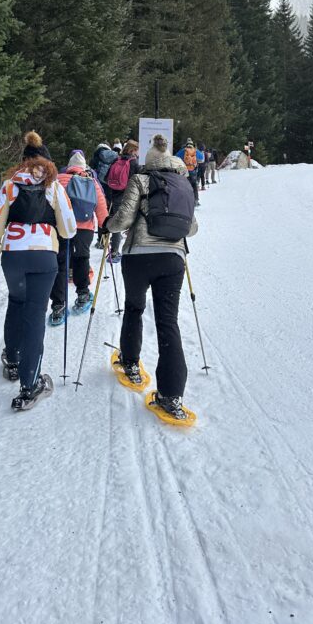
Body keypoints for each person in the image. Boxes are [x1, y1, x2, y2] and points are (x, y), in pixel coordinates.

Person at [106, 134, 198, 420]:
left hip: (139, 257)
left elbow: (121, 221)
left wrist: (108, 225)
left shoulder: (141, 180)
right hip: (173, 259)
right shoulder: (184, 184)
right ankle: (171, 396)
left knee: (134, 308)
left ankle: (131, 363)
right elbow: (192, 228)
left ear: (149, 162)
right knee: (168, 322)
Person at [0, 131, 77, 411]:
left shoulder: (9, 185)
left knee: (16, 302)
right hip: (43, 257)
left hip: (13, 257)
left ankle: (12, 360)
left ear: (23, 162)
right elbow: (68, 228)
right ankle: (30, 383)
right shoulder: (53, 186)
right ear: (47, 163)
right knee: (36, 314)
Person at [49, 150, 108, 323]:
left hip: (61, 227)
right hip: (85, 229)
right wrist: (105, 226)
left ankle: (58, 306)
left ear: (68, 166)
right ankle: (82, 294)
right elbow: (101, 206)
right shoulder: (91, 182)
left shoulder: (58, 180)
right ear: (83, 167)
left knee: (60, 263)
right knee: (81, 258)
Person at [104, 139, 139, 263]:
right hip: (130, 197)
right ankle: (132, 250)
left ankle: (113, 252)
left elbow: (106, 178)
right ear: (133, 150)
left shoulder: (116, 160)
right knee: (134, 222)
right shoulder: (134, 162)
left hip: (115, 196)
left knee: (118, 222)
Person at [91, 140, 119, 244]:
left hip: (100, 188)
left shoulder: (96, 155)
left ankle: (101, 240)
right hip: (111, 188)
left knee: (102, 215)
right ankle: (112, 240)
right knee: (112, 215)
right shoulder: (114, 156)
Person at [175, 138, 200, 205]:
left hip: (184, 170)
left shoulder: (183, 150)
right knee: (194, 185)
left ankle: (185, 201)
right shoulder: (195, 150)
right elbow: (202, 158)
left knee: (185, 185)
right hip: (193, 170)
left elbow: (175, 157)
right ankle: (196, 200)